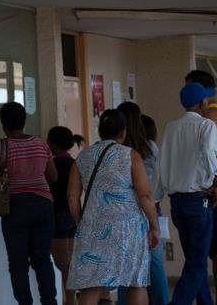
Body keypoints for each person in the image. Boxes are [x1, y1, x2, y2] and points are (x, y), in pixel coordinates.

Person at [67, 109, 160, 305]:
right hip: (129, 229)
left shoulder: (82, 157)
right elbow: (144, 195)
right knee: (136, 283)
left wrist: (80, 222)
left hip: (92, 227)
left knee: (90, 286)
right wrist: (154, 225)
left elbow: (72, 196)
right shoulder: (130, 155)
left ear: (100, 131)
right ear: (123, 132)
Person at [0, 102, 58, 305]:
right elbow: (53, 176)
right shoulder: (41, 144)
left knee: (18, 263)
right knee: (42, 259)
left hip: (16, 208)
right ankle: (49, 301)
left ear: (3, 124)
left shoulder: (1, 146)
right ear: (25, 121)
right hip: (43, 206)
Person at [158, 83, 217, 305]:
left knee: (195, 260)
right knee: (198, 263)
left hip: (177, 202)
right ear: (203, 103)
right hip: (198, 200)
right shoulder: (207, 125)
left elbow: (162, 161)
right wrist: (212, 176)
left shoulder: (171, 127)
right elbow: (209, 153)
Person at [186, 70, 217, 305]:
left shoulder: (214, 114)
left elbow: (212, 156)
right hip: (209, 183)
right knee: (215, 252)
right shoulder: (204, 115)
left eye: (191, 89)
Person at [115, 103, 169, 305]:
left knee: (124, 265)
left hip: (123, 212)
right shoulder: (151, 147)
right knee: (155, 265)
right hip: (152, 208)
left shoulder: (117, 151)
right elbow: (157, 184)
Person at [47, 126, 85, 305]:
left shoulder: (53, 166)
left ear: (53, 145)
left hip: (57, 216)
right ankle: (70, 299)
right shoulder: (74, 163)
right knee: (69, 263)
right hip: (72, 215)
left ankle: (71, 301)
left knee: (64, 265)